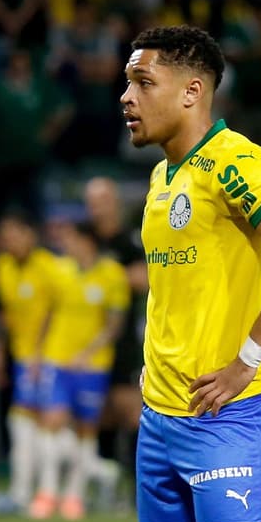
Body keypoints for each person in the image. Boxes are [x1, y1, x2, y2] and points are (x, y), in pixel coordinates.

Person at [121, 25, 261, 522]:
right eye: (127, 83)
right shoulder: (163, 176)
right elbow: (180, 287)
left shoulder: (233, 159)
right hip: (160, 417)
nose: (126, 97)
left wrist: (246, 362)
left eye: (143, 82)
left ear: (192, 92)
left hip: (224, 414)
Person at [29, 221, 130, 521]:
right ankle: (47, 492)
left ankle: (74, 495)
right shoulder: (58, 271)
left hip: (93, 366)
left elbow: (114, 324)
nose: (65, 244)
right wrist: (37, 353)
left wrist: (87, 354)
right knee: (52, 421)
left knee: (87, 430)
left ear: (87, 242)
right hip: (57, 360)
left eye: (70, 238)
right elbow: (46, 315)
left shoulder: (111, 274)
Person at [0, 213, 57, 514]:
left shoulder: (49, 267)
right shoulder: (1, 268)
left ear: (31, 235)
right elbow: (6, 318)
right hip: (22, 358)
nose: (11, 242)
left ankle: (44, 492)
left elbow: (56, 312)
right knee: (23, 423)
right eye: (6, 237)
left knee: (44, 424)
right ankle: (28, 493)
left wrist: (42, 352)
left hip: (50, 358)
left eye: (16, 234)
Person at [84, 176, 147, 504]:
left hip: (121, 339)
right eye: (91, 201)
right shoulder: (84, 238)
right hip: (83, 339)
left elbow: (146, 279)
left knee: (130, 411)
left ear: (114, 202)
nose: (96, 207)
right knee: (99, 413)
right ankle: (103, 488)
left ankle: (138, 487)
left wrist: (109, 277)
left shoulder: (129, 241)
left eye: (102, 200)